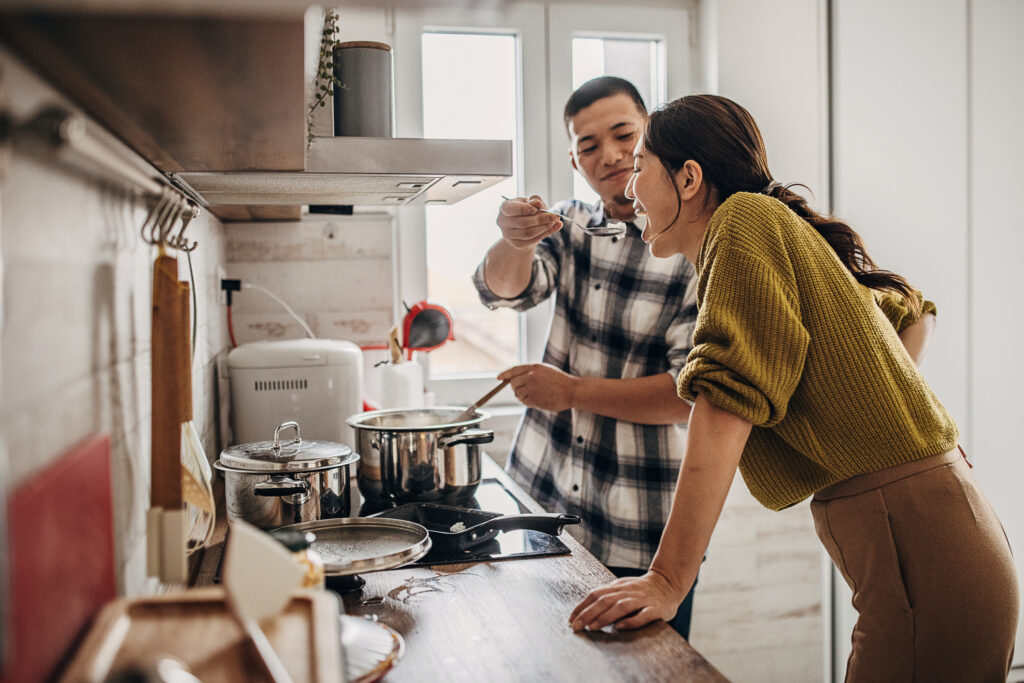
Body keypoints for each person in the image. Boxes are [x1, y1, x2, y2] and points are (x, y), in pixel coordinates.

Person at [569, 94, 1019, 681]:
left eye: (640, 167)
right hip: (938, 534)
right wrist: (870, 404)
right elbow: (911, 312)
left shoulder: (743, 221)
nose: (630, 188)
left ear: (688, 178)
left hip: (923, 543)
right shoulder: (765, 229)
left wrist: (668, 579)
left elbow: (725, 403)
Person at [471, 77, 700, 639]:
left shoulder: (691, 249)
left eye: (624, 135)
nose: (611, 156)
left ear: (651, 136)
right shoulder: (569, 225)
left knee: (644, 673)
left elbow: (685, 396)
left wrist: (571, 392)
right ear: (575, 162)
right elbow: (503, 291)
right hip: (540, 504)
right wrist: (516, 241)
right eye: (589, 145)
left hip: (640, 527)